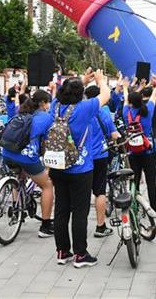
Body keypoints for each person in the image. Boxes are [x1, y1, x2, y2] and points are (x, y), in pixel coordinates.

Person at [49, 71, 109, 268]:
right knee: (80, 212)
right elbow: (106, 95)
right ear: (79, 94)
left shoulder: (55, 106)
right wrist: (100, 80)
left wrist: (80, 81)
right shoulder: (84, 108)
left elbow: (65, 92)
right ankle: (80, 254)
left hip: (58, 167)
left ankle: (62, 251)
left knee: (61, 210)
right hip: (80, 169)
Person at [0, 89, 56, 238]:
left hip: (7, 152)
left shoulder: (21, 113)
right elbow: (47, 141)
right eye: (48, 102)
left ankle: (16, 209)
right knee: (47, 184)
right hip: (26, 156)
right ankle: (45, 226)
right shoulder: (45, 117)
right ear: (43, 103)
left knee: (18, 177)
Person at [85, 84, 121, 237]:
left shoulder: (80, 112)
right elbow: (114, 135)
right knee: (99, 191)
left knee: (82, 193)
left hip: (83, 157)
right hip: (100, 155)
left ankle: (79, 225)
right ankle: (100, 227)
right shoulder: (103, 113)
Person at [123, 86, 156, 214]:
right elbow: (155, 94)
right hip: (148, 151)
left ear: (130, 102)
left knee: (135, 180)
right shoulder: (148, 110)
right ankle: (155, 207)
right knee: (151, 181)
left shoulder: (126, 113)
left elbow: (124, 100)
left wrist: (124, 86)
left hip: (133, 152)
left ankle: (135, 206)